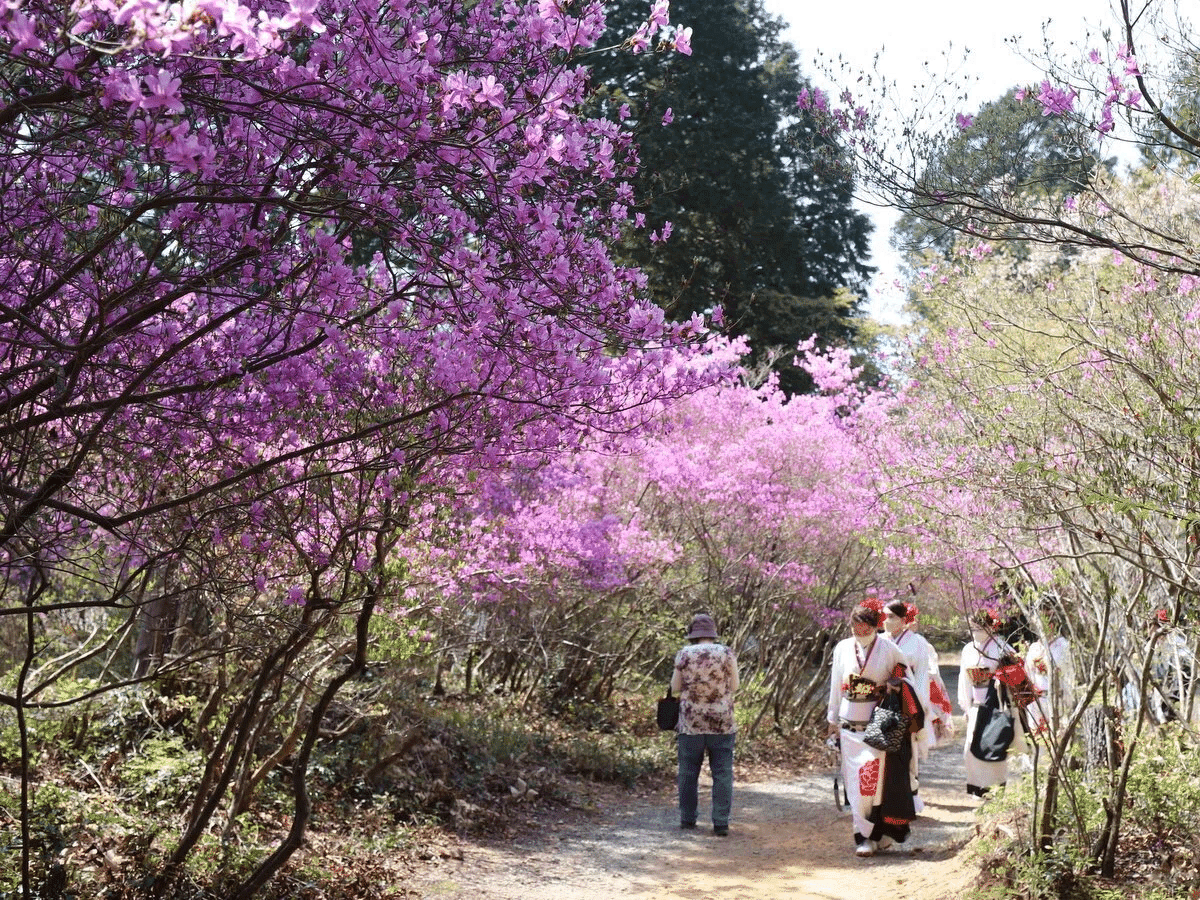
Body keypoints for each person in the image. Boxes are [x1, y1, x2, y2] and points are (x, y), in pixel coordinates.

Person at [827, 602, 919, 857]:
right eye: (856, 628)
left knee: (873, 784)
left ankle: (878, 832)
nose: (861, 633)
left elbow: (908, 679)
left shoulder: (890, 649)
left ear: (876, 627)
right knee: (855, 785)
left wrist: (895, 685)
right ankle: (862, 836)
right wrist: (832, 720)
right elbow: (836, 684)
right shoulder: (843, 648)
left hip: (877, 725)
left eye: (866, 628)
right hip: (848, 725)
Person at [671, 612, 738, 835]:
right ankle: (720, 823)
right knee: (722, 772)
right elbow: (735, 685)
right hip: (722, 722)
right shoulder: (726, 652)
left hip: (691, 723)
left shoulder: (684, 654)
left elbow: (675, 687)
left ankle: (688, 819)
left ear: (693, 634)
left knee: (689, 771)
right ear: (712, 633)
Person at [959, 608, 1025, 796]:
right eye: (972, 627)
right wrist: (965, 704)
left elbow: (1017, 675)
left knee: (994, 745)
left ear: (990, 627)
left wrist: (998, 677)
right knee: (971, 749)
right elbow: (964, 679)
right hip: (976, 704)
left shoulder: (1002, 647)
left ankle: (995, 789)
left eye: (979, 627)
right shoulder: (968, 649)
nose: (975, 631)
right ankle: (977, 788)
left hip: (996, 703)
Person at [881, 600, 934, 811]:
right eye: (884, 616)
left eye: (891, 617)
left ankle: (911, 796)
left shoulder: (917, 642)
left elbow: (921, 675)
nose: (886, 621)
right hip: (884, 701)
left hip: (908, 701)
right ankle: (884, 798)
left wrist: (920, 706)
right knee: (883, 749)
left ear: (903, 620)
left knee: (907, 750)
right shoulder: (879, 641)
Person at [1024, 606, 1076, 736]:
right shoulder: (1034, 648)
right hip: (1037, 702)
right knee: (1041, 741)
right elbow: (1028, 675)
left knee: (1058, 738)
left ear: (1051, 625)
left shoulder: (1062, 645)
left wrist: (1068, 700)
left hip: (1056, 699)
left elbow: (1068, 674)